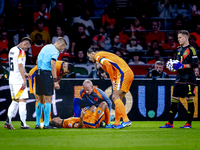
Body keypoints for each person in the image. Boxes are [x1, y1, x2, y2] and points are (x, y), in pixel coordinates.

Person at [87, 46, 134, 129]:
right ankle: (116, 123)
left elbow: (108, 65)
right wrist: (104, 71)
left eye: (89, 56)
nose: (89, 59)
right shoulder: (103, 55)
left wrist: (112, 80)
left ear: (92, 53)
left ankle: (126, 120)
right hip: (128, 72)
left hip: (123, 73)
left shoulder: (97, 56)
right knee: (119, 98)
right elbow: (109, 65)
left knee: (114, 97)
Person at [160, 30, 199, 128]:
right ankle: (170, 123)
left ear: (186, 37)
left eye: (180, 37)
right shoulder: (178, 49)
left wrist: (183, 66)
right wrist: (172, 66)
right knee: (174, 99)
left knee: (189, 99)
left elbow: (195, 64)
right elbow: (177, 63)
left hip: (189, 78)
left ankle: (188, 123)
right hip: (179, 78)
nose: (178, 39)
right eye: (178, 38)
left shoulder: (192, 50)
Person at [29, 60, 74, 126]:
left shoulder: (63, 69)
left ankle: (48, 120)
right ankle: (40, 121)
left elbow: (59, 77)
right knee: (39, 99)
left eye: (67, 73)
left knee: (47, 100)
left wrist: (54, 85)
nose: (65, 73)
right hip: (35, 75)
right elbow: (49, 77)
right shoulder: (56, 65)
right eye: (66, 71)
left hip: (45, 78)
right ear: (64, 66)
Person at [35, 37, 67, 129]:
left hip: (38, 73)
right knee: (48, 100)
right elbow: (52, 64)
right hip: (46, 74)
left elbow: (37, 61)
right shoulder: (55, 51)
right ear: (60, 45)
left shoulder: (45, 47)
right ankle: (46, 124)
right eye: (63, 48)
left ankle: (37, 124)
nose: (62, 50)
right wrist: (54, 80)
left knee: (40, 100)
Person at [4, 37, 33, 129]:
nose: (27, 49)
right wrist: (24, 79)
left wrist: (24, 73)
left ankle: (8, 122)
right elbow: (20, 65)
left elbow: (15, 66)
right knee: (22, 101)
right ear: (25, 43)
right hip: (18, 80)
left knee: (15, 100)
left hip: (12, 79)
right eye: (28, 47)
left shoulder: (12, 50)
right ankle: (23, 124)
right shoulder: (21, 52)